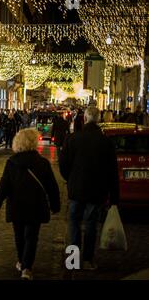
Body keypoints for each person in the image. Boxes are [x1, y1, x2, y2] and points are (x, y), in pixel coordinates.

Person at [0, 128, 60, 280]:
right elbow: (52, 186)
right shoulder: (42, 163)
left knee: (19, 235)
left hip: (16, 205)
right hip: (35, 206)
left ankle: (22, 261)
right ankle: (27, 268)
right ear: (34, 143)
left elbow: (4, 185)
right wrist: (55, 205)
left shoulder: (11, 163)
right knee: (31, 236)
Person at [59, 106, 119, 270]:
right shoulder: (105, 142)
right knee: (91, 225)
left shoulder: (72, 139)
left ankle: (73, 260)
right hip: (97, 190)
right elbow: (112, 170)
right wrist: (114, 197)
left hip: (76, 189)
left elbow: (63, 165)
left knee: (74, 223)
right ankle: (87, 260)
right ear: (98, 120)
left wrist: (70, 179)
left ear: (84, 119)